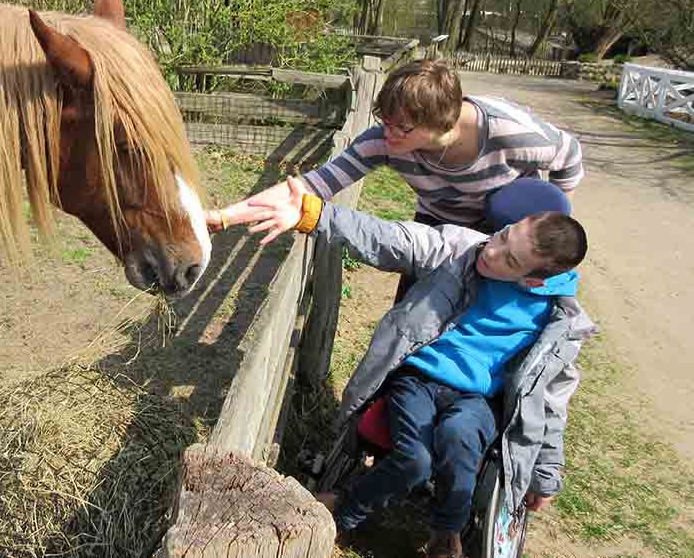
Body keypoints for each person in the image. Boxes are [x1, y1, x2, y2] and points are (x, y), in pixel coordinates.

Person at [222, 176, 596, 558]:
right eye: (503, 235)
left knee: (459, 436)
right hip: (419, 378)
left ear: (534, 282)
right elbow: (391, 238)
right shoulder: (462, 250)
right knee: (415, 461)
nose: (492, 251)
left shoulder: (559, 325)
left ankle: (446, 534)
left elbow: (548, 402)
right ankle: (339, 511)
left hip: (478, 399)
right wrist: (315, 214)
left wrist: (545, 475)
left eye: (509, 260)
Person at [205, 59, 582, 299]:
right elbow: (309, 186)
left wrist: (546, 223)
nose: (388, 134)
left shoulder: (513, 134)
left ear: (443, 123)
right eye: (384, 121)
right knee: (413, 313)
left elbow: (570, 155)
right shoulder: (384, 143)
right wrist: (223, 217)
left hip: (504, 234)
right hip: (437, 228)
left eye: (401, 127)